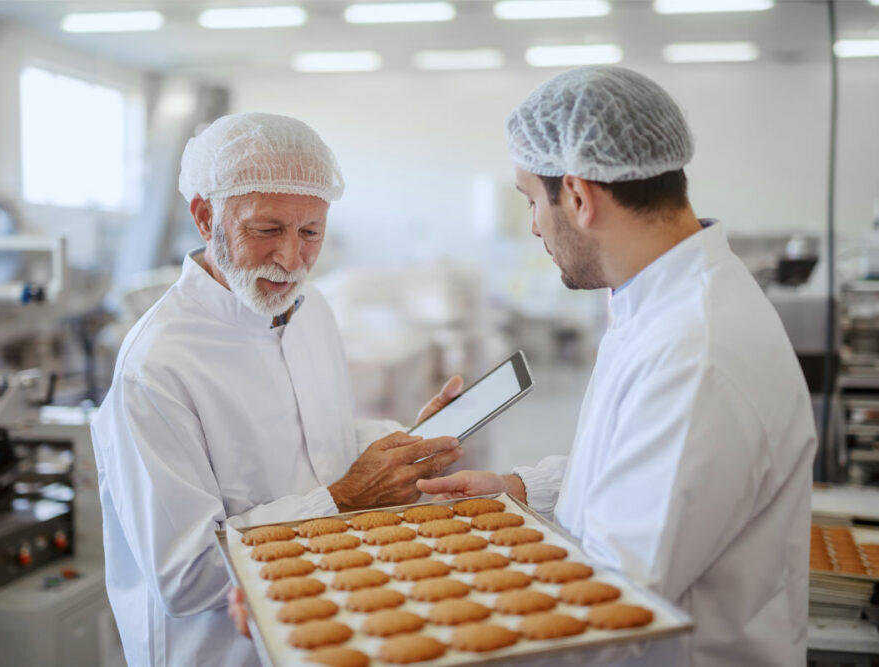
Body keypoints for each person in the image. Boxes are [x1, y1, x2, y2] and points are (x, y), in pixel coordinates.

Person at [416, 66, 816, 666]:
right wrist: (523, 491)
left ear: (577, 196)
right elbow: (642, 463)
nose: (532, 226)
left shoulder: (693, 352)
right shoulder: (660, 302)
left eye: (531, 201)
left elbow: (605, 618)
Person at [91, 112, 464, 667]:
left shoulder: (310, 311)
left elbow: (317, 439)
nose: (291, 260)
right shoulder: (158, 367)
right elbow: (184, 578)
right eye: (266, 230)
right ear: (203, 216)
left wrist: (404, 446)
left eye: (311, 232)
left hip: (329, 628)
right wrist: (345, 499)